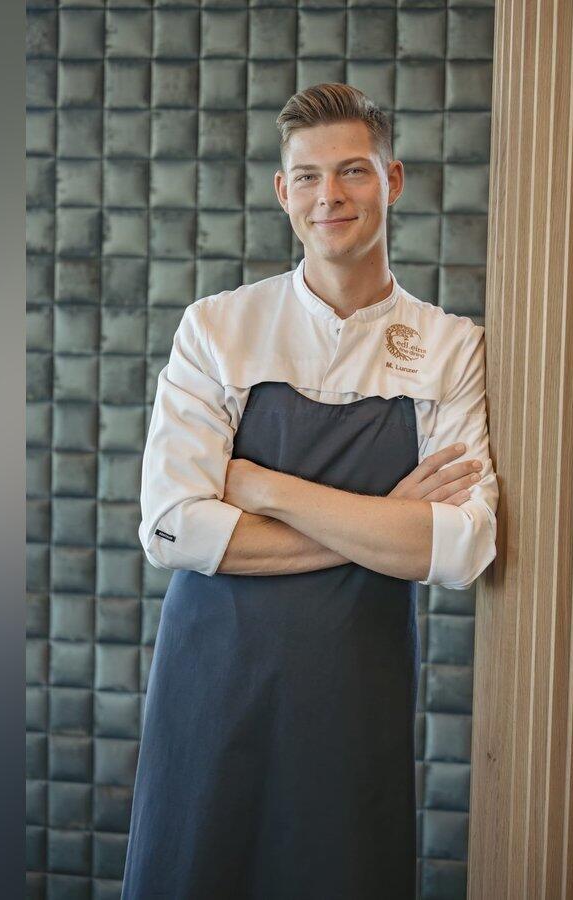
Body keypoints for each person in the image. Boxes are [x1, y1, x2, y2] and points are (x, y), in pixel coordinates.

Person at [121, 83, 499, 899]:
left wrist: (262, 488)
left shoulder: (450, 349)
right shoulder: (217, 329)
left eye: (353, 171)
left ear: (392, 180)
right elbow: (174, 530)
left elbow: (459, 548)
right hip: (212, 682)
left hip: (355, 688)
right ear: (282, 192)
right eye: (308, 176)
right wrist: (388, 523)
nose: (330, 195)